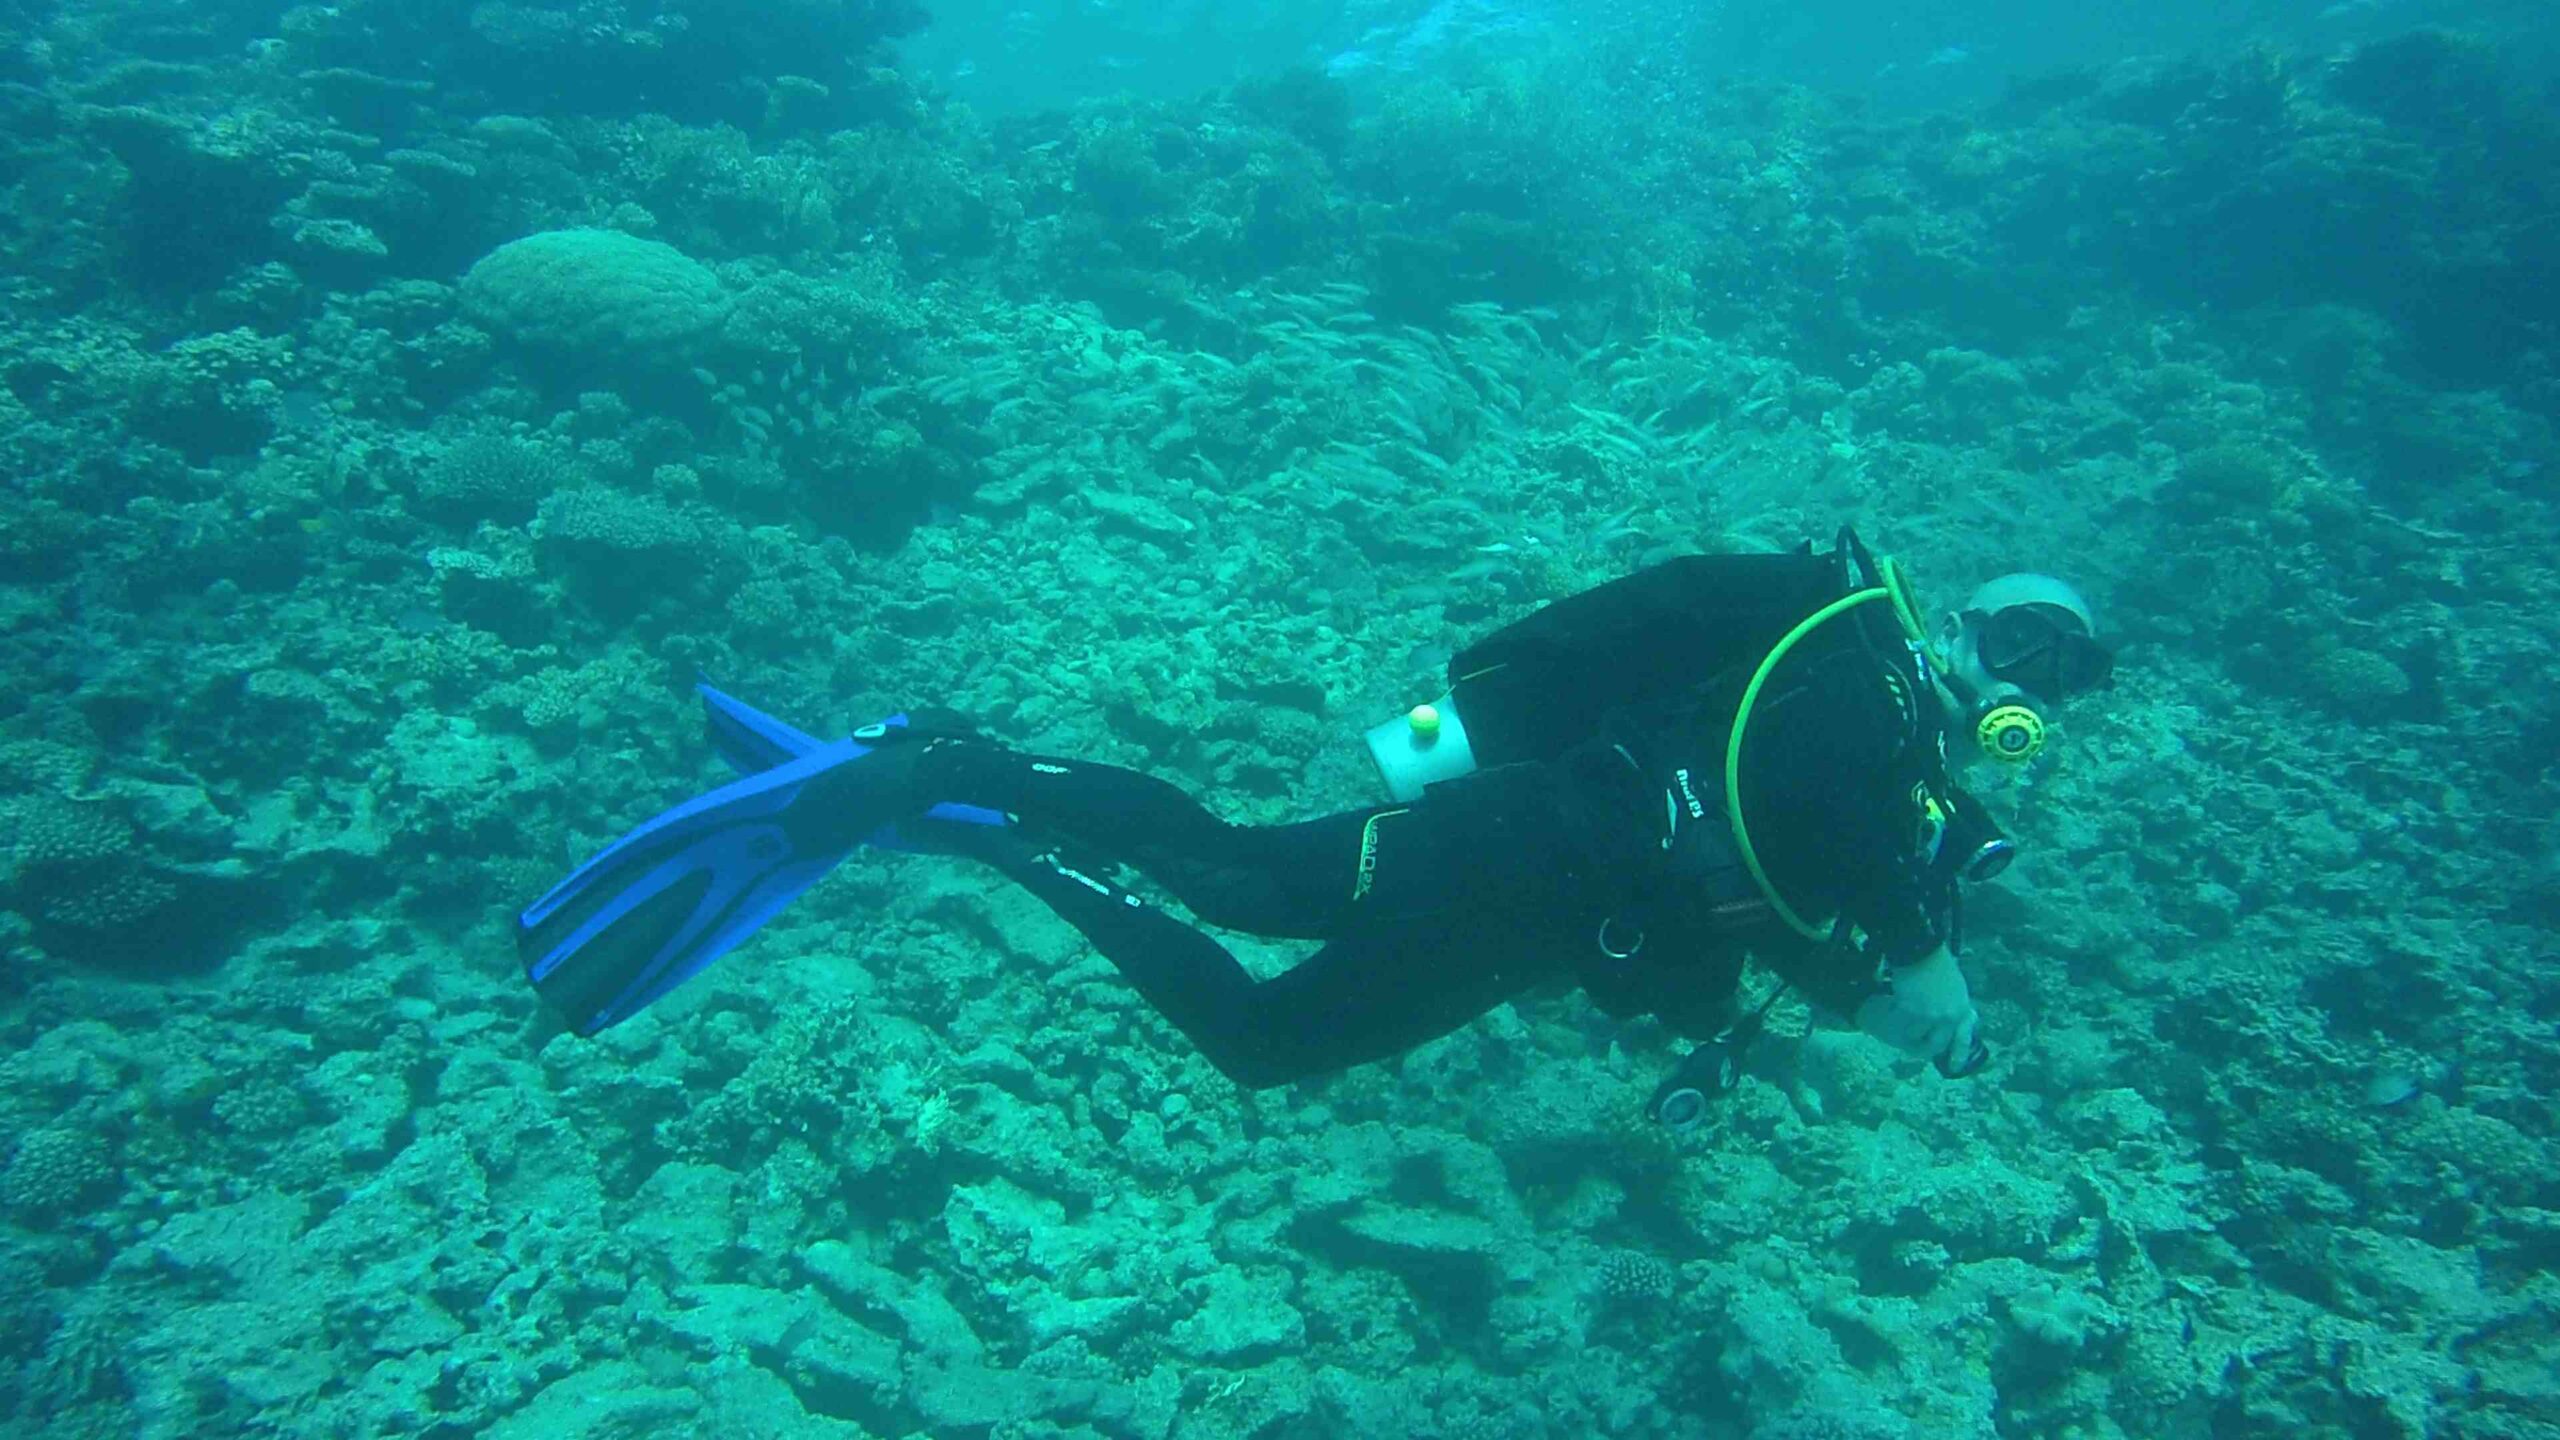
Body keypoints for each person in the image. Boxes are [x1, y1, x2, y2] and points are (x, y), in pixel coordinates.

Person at [518, 528, 2113, 1115]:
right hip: (1523, 845)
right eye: (2021, 644)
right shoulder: (1864, 676)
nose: (2023, 685)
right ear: (1968, 621)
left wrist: (1886, 959)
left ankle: (974, 808)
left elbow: (1796, 893)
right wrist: (1921, 938)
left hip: (1546, 917)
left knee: (1258, 1012)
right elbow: (1814, 807)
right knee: (1240, 898)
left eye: (2059, 680)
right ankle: (965, 771)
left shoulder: (1909, 777)